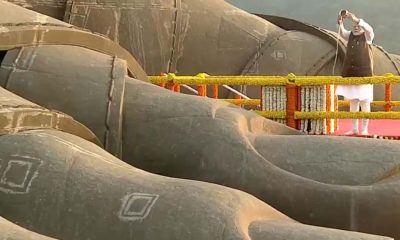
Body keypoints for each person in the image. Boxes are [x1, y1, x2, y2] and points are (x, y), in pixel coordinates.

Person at [336, 10, 374, 135]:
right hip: (351, 72)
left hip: (364, 74)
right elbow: (342, 33)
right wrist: (341, 23)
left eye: (358, 26)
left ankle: (365, 129)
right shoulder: (350, 36)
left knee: (364, 102)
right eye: (354, 27)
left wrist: (355, 19)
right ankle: (354, 128)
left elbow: (369, 28)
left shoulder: (368, 37)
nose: (356, 28)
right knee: (353, 101)